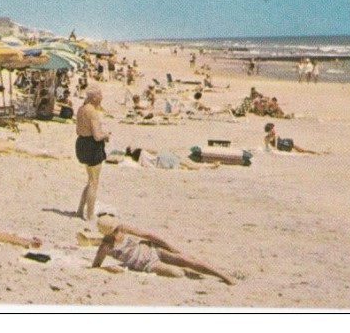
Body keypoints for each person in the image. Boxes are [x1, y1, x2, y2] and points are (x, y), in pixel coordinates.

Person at [92, 214, 235, 285]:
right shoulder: (105, 247)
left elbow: (148, 235)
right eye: (114, 230)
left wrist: (170, 247)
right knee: (178, 273)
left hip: (153, 249)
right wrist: (108, 269)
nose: (117, 231)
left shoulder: (123, 228)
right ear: (108, 233)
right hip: (147, 264)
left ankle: (222, 275)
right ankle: (199, 274)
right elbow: (95, 267)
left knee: (187, 260)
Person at [75, 87, 110, 221]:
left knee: (90, 180)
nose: (101, 98)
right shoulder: (92, 112)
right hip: (92, 145)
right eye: (100, 95)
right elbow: (96, 136)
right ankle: (89, 214)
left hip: (81, 143)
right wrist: (105, 135)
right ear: (95, 97)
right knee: (94, 182)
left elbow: (78, 129)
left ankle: (80, 210)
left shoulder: (81, 109)